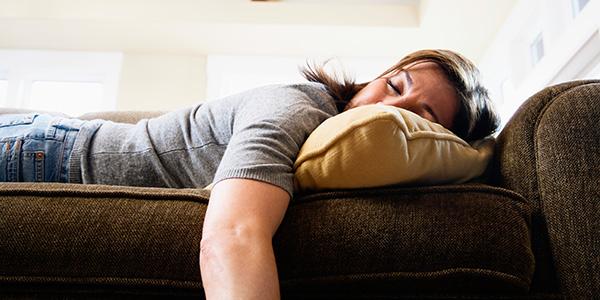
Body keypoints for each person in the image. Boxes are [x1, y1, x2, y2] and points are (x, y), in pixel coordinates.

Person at [0, 49, 500, 299]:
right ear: (374, 77)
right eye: (394, 85)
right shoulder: (296, 110)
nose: (393, 108)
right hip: (43, 149)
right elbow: (232, 233)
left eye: (422, 115)